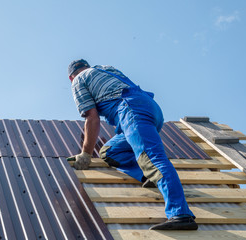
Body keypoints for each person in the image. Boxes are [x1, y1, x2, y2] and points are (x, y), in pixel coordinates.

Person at [67, 59, 198, 230]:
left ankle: (181, 214)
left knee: (151, 158)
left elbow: (92, 117)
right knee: (110, 151)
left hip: (131, 109)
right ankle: (148, 176)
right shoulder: (105, 68)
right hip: (151, 108)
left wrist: (86, 153)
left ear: (71, 77)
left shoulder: (78, 80)